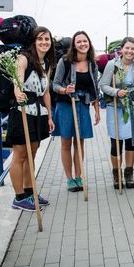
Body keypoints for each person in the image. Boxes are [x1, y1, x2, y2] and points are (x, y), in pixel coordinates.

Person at [8, 26, 56, 211]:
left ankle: (30, 192)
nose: (44, 42)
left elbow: (45, 93)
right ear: (34, 41)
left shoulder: (47, 64)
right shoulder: (23, 58)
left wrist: (50, 116)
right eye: (40, 39)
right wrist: (18, 93)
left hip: (39, 113)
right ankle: (19, 197)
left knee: (32, 153)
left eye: (47, 39)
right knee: (20, 154)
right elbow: (17, 82)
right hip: (22, 112)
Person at [52, 31, 101, 192]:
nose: (82, 44)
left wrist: (96, 110)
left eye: (85, 41)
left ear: (89, 43)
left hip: (83, 105)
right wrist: (65, 90)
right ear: (74, 44)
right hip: (66, 104)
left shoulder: (92, 63)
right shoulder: (65, 61)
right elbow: (55, 85)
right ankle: (69, 179)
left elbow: (95, 87)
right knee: (66, 142)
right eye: (78, 42)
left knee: (79, 142)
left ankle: (79, 176)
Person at [99, 37, 134, 189]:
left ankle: (129, 172)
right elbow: (103, 85)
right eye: (127, 48)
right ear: (122, 49)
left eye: (133, 49)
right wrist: (116, 92)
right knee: (116, 142)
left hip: (133, 107)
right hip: (115, 107)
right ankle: (116, 173)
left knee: (131, 142)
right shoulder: (112, 65)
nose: (130, 51)